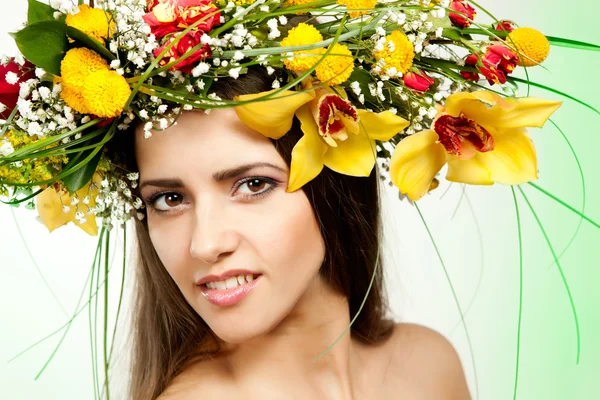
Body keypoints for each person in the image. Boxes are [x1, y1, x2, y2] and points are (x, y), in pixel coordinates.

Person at [112, 68, 472, 399]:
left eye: (253, 184)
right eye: (169, 199)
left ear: (336, 186)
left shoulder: (427, 368)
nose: (205, 244)